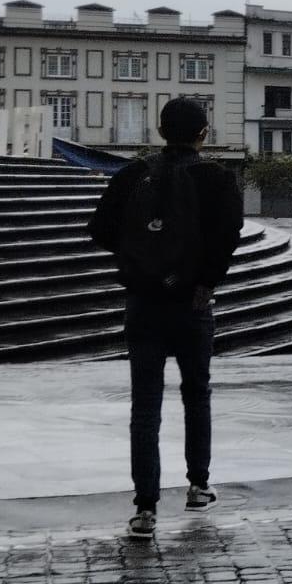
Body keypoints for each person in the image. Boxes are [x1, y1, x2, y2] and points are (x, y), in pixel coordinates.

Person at [89, 97, 243, 540]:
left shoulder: (133, 174)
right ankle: (197, 486)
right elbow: (226, 239)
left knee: (145, 407)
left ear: (160, 132)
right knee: (196, 395)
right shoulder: (215, 178)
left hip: (142, 303)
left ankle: (145, 509)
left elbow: (99, 228)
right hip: (192, 305)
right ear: (203, 134)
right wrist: (202, 283)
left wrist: (139, 263)